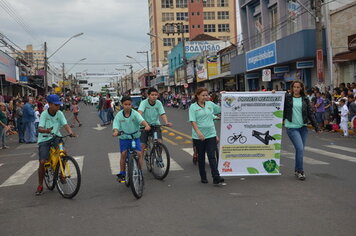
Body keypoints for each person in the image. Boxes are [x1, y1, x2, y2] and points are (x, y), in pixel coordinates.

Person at [35, 94, 76, 196]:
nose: (58, 107)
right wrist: (47, 130)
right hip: (44, 139)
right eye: (56, 105)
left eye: (59, 105)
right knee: (42, 161)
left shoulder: (60, 113)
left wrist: (70, 132)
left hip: (57, 137)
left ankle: (61, 174)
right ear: (49, 104)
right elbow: (39, 128)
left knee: (64, 152)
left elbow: (65, 125)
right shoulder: (44, 114)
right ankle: (40, 185)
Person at [284, 80, 320, 181]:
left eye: (298, 87)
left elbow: (310, 113)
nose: (296, 89)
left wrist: (316, 127)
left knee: (300, 150)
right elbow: (277, 101)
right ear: (292, 88)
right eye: (294, 87)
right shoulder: (287, 98)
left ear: (301, 88)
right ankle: (300, 171)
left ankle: (297, 169)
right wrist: (273, 92)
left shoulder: (305, 99)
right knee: (300, 148)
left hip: (303, 128)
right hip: (291, 127)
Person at [189, 87, 224, 185]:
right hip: (199, 136)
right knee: (201, 157)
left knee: (212, 156)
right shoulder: (193, 107)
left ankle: (216, 176)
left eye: (206, 95)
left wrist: (224, 96)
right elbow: (193, 121)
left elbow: (222, 108)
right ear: (197, 96)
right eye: (203, 95)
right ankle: (203, 177)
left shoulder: (210, 104)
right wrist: (199, 133)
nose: (205, 97)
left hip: (211, 134)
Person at [112, 96, 151, 183]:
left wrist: (146, 125)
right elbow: (116, 125)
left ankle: (140, 172)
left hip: (135, 137)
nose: (127, 106)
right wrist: (115, 131)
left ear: (131, 105)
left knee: (139, 153)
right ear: (122, 104)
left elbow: (141, 120)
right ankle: (122, 173)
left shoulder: (135, 113)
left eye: (129, 104)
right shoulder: (119, 115)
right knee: (123, 154)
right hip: (124, 138)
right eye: (125, 104)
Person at [138, 87, 173, 157]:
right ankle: (141, 162)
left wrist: (166, 122)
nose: (154, 97)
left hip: (155, 125)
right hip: (144, 126)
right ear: (148, 95)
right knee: (142, 145)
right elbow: (139, 114)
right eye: (152, 95)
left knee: (159, 142)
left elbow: (162, 114)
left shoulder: (159, 103)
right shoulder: (143, 103)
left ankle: (159, 157)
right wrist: (143, 124)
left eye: (156, 95)